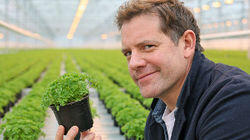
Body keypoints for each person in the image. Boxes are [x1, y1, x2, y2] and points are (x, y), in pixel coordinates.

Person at [56, 0, 250, 139]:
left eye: (148, 46)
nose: (133, 63)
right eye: (128, 53)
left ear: (187, 44)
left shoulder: (233, 101)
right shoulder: (158, 118)